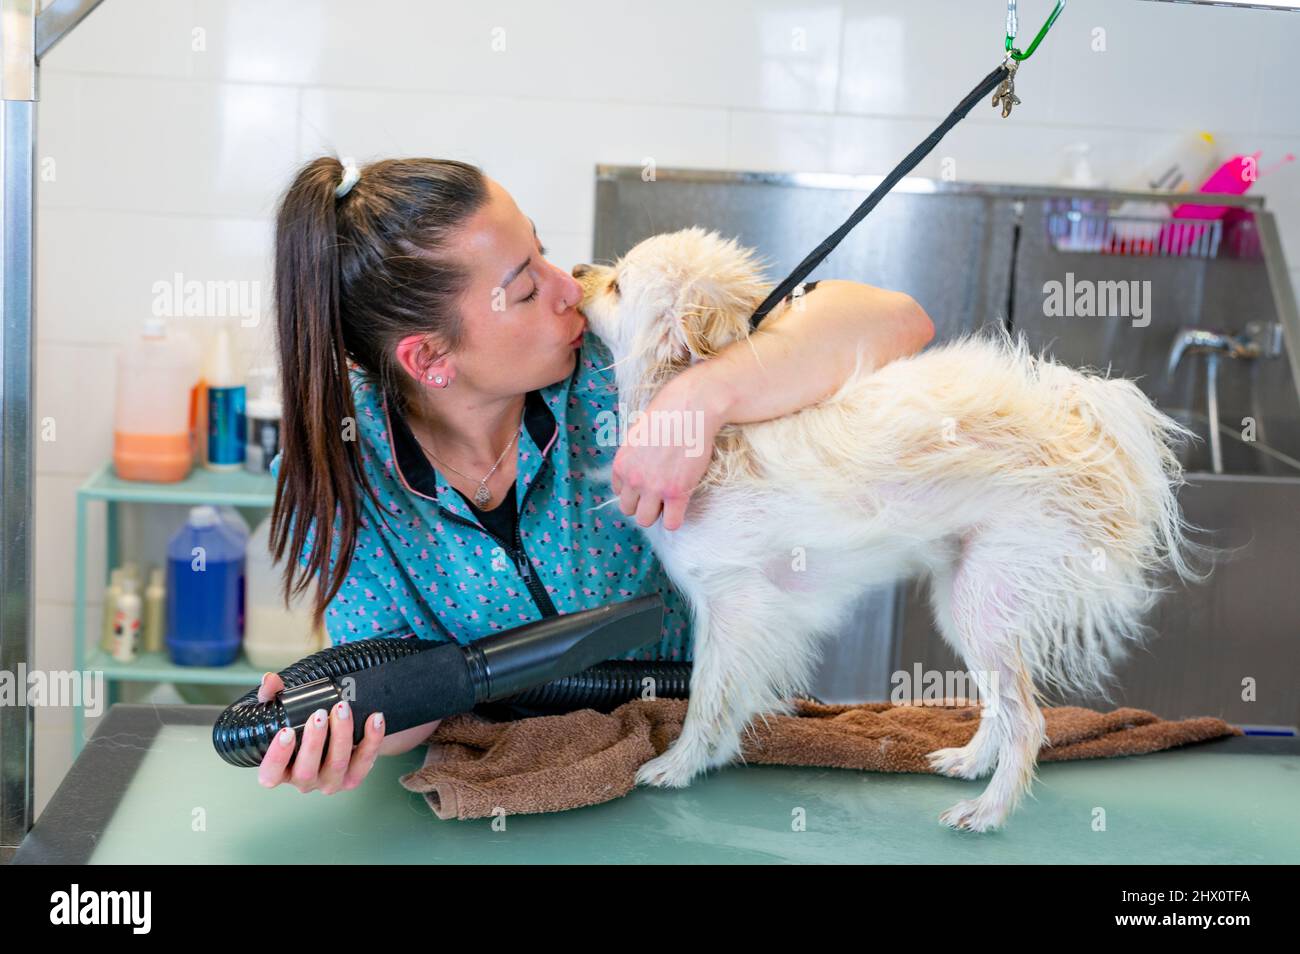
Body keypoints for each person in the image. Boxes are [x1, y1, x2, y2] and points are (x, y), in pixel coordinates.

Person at [257, 156, 934, 794]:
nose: (569, 286)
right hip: (498, 786)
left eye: (542, 251)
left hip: (684, 756)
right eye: (525, 289)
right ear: (430, 357)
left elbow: (897, 321)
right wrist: (339, 731)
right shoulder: (345, 464)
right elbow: (403, 682)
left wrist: (701, 397)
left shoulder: (625, 368)